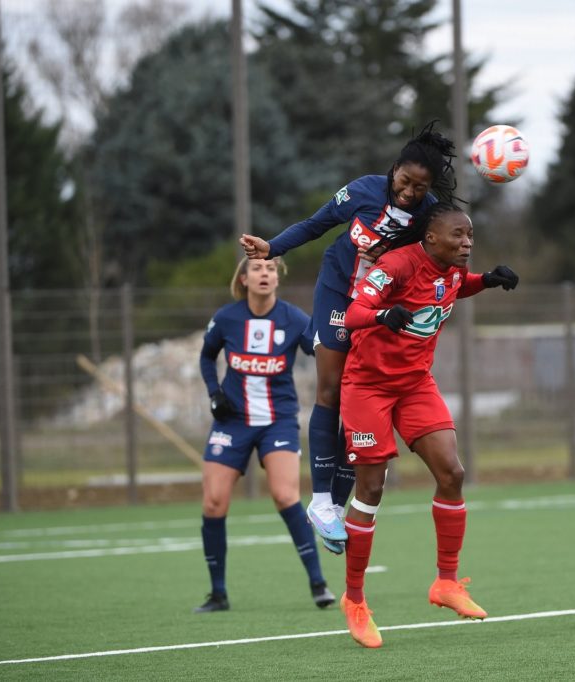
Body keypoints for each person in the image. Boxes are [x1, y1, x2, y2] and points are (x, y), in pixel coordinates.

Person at [239, 122, 458, 554]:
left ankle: (336, 508)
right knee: (332, 388)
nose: (409, 192)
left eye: (420, 187)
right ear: (393, 170)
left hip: (380, 305)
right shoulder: (363, 190)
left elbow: (433, 257)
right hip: (339, 291)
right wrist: (272, 247)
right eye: (404, 181)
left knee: (359, 401)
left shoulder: (428, 215)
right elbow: (316, 224)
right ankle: (320, 500)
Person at [335, 202, 519, 648]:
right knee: (371, 488)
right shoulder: (397, 265)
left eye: (470, 235)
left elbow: (450, 289)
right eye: (458, 235)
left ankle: (446, 582)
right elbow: (355, 311)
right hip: (368, 386)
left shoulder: (453, 268)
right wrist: (382, 315)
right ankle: (355, 599)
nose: (467, 242)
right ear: (431, 238)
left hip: (415, 384)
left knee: (452, 473)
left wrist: (486, 281)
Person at [193, 256, 335, 613]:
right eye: (257, 269)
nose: (264, 273)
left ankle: (318, 583)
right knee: (213, 502)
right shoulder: (227, 318)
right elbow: (207, 357)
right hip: (232, 422)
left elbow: (321, 350)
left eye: (270, 269)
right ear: (243, 279)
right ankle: (218, 594)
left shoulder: (294, 319)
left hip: (278, 420)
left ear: (277, 278)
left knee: (285, 495)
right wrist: (214, 393)